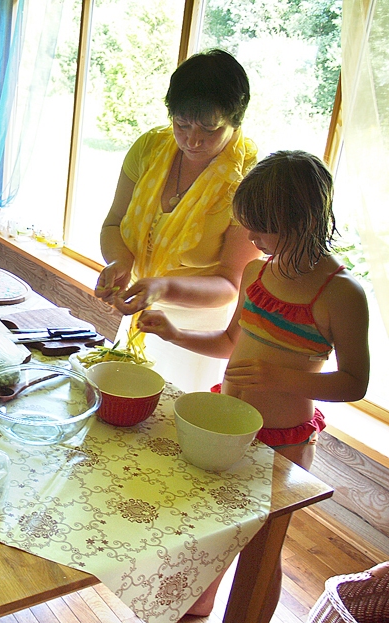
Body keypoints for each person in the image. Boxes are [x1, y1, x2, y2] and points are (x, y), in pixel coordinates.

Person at [137, 151, 370, 618]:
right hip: (226, 430)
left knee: (261, 553)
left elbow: (353, 383)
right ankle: (195, 611)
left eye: (262, 229)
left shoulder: (341, 293)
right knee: (212, 535)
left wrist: (280, 377)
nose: (253, 239)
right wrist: (176, 333)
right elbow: (229, 342)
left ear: (302, 221)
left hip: (283, 441)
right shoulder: (256, 273)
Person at [94, 49, 262, 393]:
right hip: (144, 313)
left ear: (236, 119)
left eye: (210, 128)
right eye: (182, 124)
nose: (192, 139)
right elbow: (113, 223)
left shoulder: (248, 180)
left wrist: (163, 286)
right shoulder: (150, 148)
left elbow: (231, 284)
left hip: (200, 334)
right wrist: (120, 264)